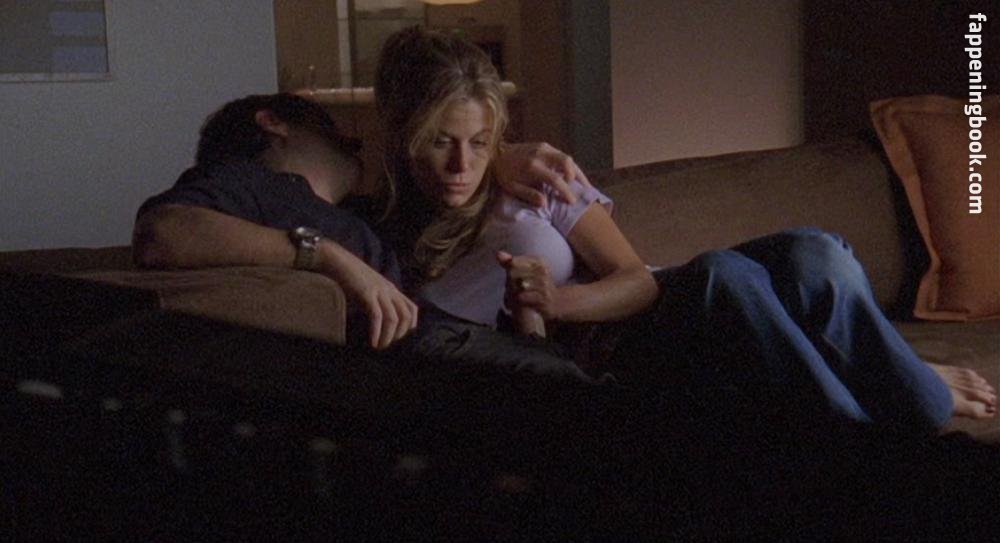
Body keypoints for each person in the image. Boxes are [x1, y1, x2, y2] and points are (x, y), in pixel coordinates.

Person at [371, 26, 996, 432]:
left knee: (815, 253)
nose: (463, 165)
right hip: (631, 352)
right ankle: (878, 439)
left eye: (480, 141)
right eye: (441, 143)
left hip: (663, 300)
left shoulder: (532, 179)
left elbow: (638, 279)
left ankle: (912, 390)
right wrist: (541, 312)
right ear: (405, 134)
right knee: (725, 275)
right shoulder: (385, 238)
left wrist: (558, 298)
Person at [132, 92, 593, 350]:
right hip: (422, 360)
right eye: (330, 127)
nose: (349, 139)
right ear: (273, 122)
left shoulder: (362, 213)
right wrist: (324, 255)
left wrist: (496, 156)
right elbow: (161, 233)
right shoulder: (249, 181)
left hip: (491, 346)